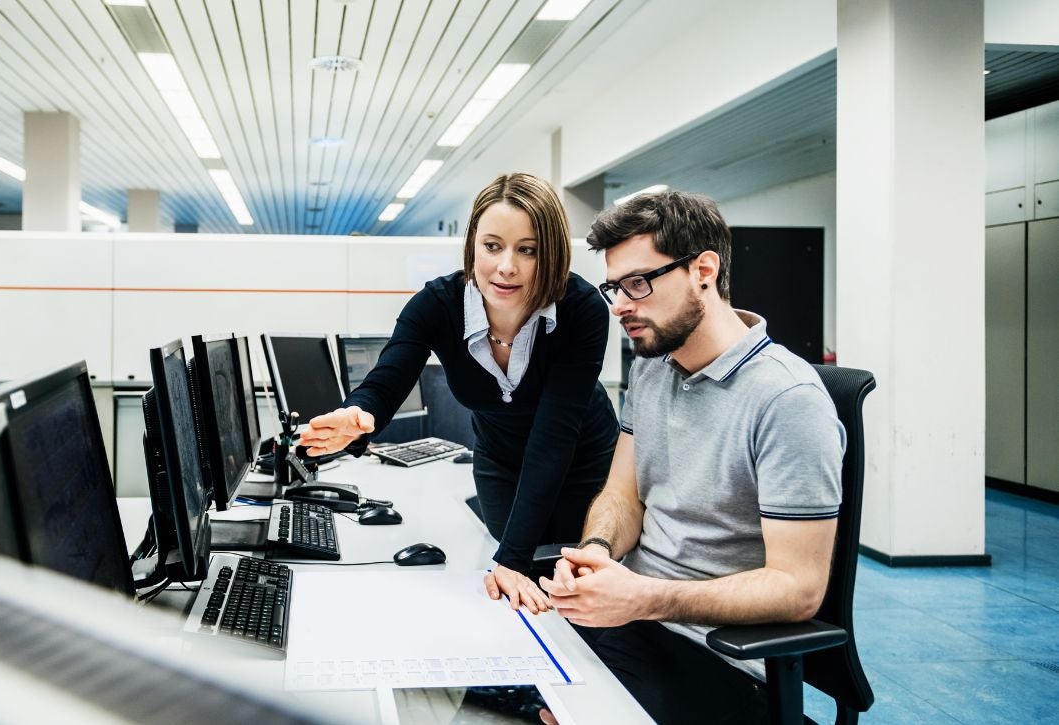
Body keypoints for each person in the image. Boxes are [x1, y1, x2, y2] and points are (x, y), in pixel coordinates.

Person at [538, 190, 845, 723]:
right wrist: (595, 554)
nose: (620, 306)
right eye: (615, 287)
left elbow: (799, 590)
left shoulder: (788, 399)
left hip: (715, 658)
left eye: (638, 283)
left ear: (704, 269)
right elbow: (623, 494)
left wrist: (645, 598)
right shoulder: (653, 367)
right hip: (633, 625)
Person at [299, 173, 618, 614]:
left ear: (554, 254)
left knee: (568, 580)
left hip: (584, 461)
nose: (506, 266)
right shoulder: (438, 304)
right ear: (472, 245)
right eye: (492, 246)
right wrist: (360, 414)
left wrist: (513, 558)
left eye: (528, 250)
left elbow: (555, 436)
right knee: (514, 588)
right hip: (500, 462)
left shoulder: (580, 309)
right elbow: (389, 375)